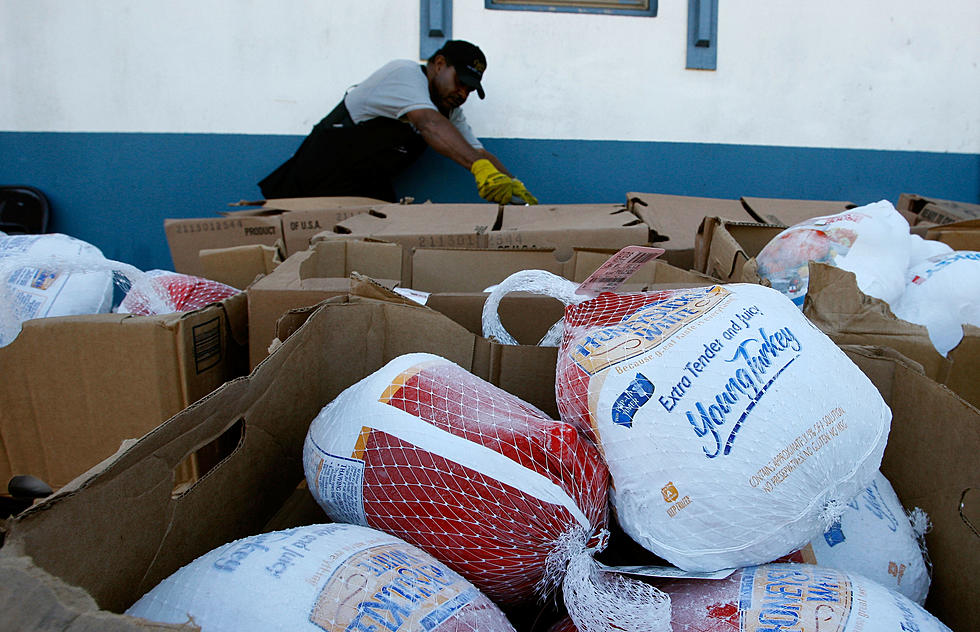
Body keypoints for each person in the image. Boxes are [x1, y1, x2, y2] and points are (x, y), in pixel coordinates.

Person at [258, 40, 537, 205]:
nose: (463, 93)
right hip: (314, 184)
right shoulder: (404, 74)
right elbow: (428, 123)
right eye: (460, 83)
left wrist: (515, 186)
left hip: (363, 191)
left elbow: (475, 150)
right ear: (439, 64)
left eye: (470, 90)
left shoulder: (448, 110)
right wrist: (479, 168)